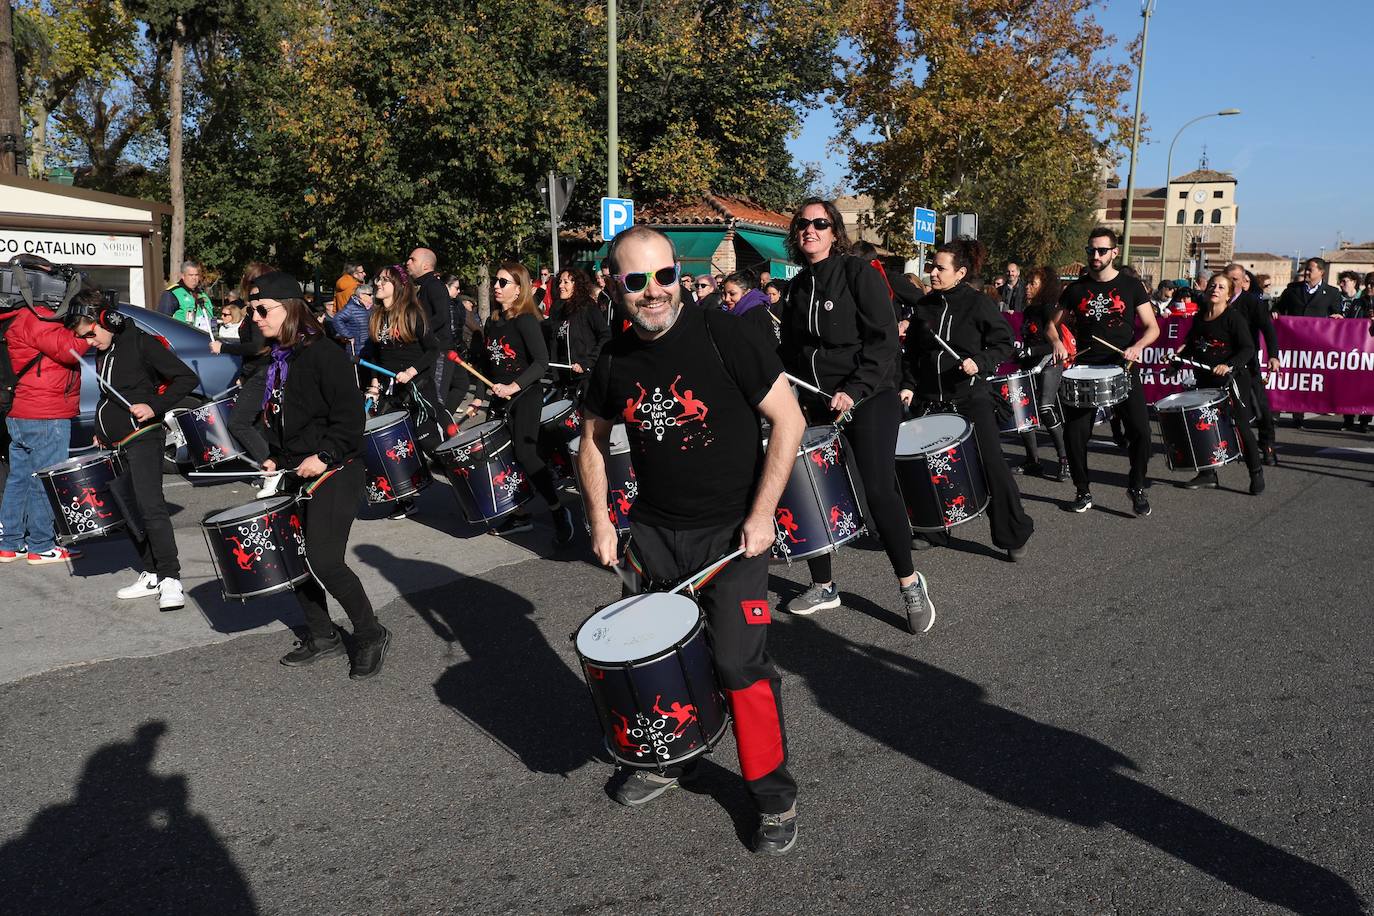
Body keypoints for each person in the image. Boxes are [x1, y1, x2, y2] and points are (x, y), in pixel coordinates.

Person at [578, 225, 806, 855]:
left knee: (738, 664)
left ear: (679, 273)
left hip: (732, 535)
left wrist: (762, 515)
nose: (652, 292)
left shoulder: (726, 333)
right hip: (655, 535)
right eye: (635, 280)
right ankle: (676, 757)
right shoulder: (613, 359)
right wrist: (601, 520)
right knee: (663, 659)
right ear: (614, 286)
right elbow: (592, 441)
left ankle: (773, 795)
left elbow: (789, 420)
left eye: (663, 276)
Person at [776, 198, 935, 632]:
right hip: (814, 401)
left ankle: (908, 582)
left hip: (869, 397)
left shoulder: (857, 274)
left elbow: (883, 341)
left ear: (834, 232)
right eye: (803, 224)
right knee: (811, 489)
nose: (810, 230)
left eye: (820, 224)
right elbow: (789, 350)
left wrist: (854, 389)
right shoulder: (797, 287)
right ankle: (824, 585)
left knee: (879, 490)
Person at [248, 271, 390, 678]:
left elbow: (349, 419)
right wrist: (274, 454)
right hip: (297, 469)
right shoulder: (279, 358)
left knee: (325, 561)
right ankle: (322, 634)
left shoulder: (324, 353)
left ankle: (369, 633)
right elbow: (281, 417)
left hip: (336, 468)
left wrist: (324, 455)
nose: (256, 317)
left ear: (290, 308)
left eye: (263, 309)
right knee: (294, 560)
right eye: (252, 309)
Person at [899, 239, 1035, 561]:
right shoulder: (924, 307)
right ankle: (931, 528)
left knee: (991, 465)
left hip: (969, 398)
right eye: (931, 266)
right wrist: (907, 384)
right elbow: (913, 355)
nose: (932, 272)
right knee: (926, 468)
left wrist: (980, 361)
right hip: (930, 399)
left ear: (960, 273)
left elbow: (1004, 343)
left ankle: (1012, 533)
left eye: (939, 268)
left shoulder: (978, 304)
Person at [70, 293, 198, 609]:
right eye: (83, 337)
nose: (88, 341)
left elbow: (186, 378)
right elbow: (110, 396)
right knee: (128, 509)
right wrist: (101, 430)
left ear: (106, 320)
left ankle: (171, 579)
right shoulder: (107, 348)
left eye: (90, 333)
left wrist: (153, 405)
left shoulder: (143, 343)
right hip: (116, 443)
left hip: (145, 436)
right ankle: (152, 571)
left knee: (150, 506)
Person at [1047, 227, 1159, 516]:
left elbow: (1153, 328)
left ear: (1114, 252)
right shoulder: (1075, 289)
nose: (1094, 256)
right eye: (1090, 250)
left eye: (1100, 251)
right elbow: (1051, 325)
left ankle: (1136, 486)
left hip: (1122, 367)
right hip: (1085, 368)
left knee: (1141, 432)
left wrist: (1138, 346)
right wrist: (1058, 342)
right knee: (1075, 434)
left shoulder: (1132, 287)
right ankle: (1082, 491)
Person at [471, 261, 575, 544]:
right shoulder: (492, 321)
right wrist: (480, 396)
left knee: (526, 455)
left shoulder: (527, 320)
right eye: (496, 281)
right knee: (501, 457)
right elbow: (486, 364)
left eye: (503, 282)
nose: (496, 286)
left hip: (525, 396)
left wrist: (513, 387)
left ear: (519, 290)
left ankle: (557, 509)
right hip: (499, 396)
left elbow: (541, 363)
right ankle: (518, 514)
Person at [0, 287, 89, 565]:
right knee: (43, 479)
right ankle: (41, 544)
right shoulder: (36, 317)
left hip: (22, 409)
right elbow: (70, 349)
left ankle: (11, 543)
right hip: (45, 412)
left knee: (20, 478)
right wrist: (86, 328)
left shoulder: (15, 316)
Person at [1172, 272, 1265, 495]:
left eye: (1222, 287)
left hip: (1233, 380)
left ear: (1228, 295)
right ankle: (1207, 474)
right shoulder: (1200, 316)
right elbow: (1193, 344)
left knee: (1241, 427)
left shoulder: (1234, 318)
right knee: (1204, 427)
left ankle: (1256, 472)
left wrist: (1229, 364)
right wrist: (1175, 362)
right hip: (1205, 378)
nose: (1215, 289)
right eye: (1212, 286)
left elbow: (1248, 348)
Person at [363, 265, 438, 520]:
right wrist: (374, 385)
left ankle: (464, 486)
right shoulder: (376, 316)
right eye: (378, 279)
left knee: (429, 444)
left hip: (417, 389)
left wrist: (412, 371)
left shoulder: (413, 313)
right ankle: (405, 499)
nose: (379, 284)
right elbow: (375, 355)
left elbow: (432, 350)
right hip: (389, 391)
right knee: (392, 445)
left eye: (385, 280)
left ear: (398, 285)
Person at [212, 263, 276, 495]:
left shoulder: (260, 309)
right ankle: (270, 468)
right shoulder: (253, 309)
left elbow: (259, 347)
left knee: (238, 422)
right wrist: (243, 375)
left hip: (264, 373)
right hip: (256, 373)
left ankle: (273, 471)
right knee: (258, 425)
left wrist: (225, 346)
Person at [1012, 266, 1069, 481]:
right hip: (1030, 364)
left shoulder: (1048, 309)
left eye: (1032, 284)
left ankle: (1064, 459)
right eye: (1027, 283)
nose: (1027, 287)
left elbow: (1056, 345)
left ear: (1044, 287)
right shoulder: (1029, 311)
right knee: (1024, 411)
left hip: (1050, 363)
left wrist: (1030, 350)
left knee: (1045, 408)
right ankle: (1032, 461)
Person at [1275, 258, 1343, 429]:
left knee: (1310, 378)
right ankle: (1293, 413)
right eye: (1306, 269)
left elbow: (1337, 313)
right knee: (1294, 377)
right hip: (1293, 342)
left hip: (1316, 345)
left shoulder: (1332, 292)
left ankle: (1309, 408)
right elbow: (1278, 308)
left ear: (1321, 272)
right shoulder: (1292, 290)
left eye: (1310, 269)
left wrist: (1338, 317)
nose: (1306, 272)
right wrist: (1275, 313)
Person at [1224, 264, 1280, 463]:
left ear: (1243, 281)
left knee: (1260, 406)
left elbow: (1268, 330)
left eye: (1235, 280)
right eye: (1227, 279)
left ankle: (1267, 445)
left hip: (1247, 362)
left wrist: (1273, 355)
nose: (1231, 284)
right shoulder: (1215, 301)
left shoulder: (1252, 302)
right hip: (1221, 361)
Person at [545, 268, 610, 396]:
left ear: (577, 285)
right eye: (559, 282)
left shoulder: (587, 306)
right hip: (563, 381)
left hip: (586, 379)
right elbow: (553, 341)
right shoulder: (557, 308)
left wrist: (588, 362)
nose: (560, 286)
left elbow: (605, 335)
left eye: (566, 282)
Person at [405, 247, 452, 409]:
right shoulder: (421, 286)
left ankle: (444, 431)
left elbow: (441, 316)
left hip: (438, 351)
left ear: (426, 265)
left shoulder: (434, 285)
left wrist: (418, 332)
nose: (408, 262)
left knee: (435, 401)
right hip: (430, 350)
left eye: (413, 259)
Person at [159, 261, 214, 333]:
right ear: (183, 276)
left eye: (196, 275)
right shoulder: (172, 293)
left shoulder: (203, 295)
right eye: (191, 275)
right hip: (182, 338)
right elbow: (162, 322)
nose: (194, 278)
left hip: (205, 338)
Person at [326, 282, 373, 360]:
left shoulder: (369, 307)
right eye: (370, 294)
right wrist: (348, 335)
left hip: (368, 345)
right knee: (358, 370)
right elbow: (337, 319)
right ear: (361, 295)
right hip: (356, 347)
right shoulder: (351, 308)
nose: (372, 296)